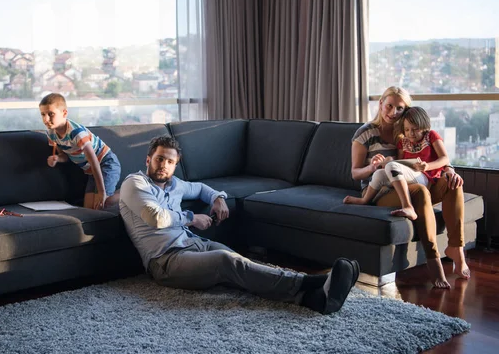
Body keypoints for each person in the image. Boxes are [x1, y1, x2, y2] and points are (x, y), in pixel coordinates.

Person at [119, 135, 360, 315]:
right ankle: (310, 286)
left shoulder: (175, 184)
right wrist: (192, 218)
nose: (163, 165)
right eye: (159, 159)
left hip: (195, 244)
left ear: (175, 165)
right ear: (148, 159)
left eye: (169, 161)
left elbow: (202, 188)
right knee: (227, 262)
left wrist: (218, 198)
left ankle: (314, 294)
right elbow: (156, 218)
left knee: (243, 264)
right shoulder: (135, 183)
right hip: (165, 262)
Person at [349, 86, 470, 289]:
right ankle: (434, 261)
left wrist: (449, 170)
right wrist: (372, 166)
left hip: (414, 180)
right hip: (379, 190)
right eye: (389, 106)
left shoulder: (405, 132)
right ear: (380, 104)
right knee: (420, 191)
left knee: (453, 184)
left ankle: (456, 247)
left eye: (399, 108)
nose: (393, 112)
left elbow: (432, 155)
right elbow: (354, 173)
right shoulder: (365, 133)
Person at [344, 106, 450, 221]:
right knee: (379, 173)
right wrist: (387, 162)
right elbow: (399, 165)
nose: (411, 133)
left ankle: (407, 206)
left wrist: (428, 166)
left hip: (425, 176)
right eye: (407, 130)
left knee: (391, 165)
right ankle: (364, 200)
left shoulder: (431, 136)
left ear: (424, 126)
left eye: (415, 129)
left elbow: (445, 158)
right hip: (409, 177)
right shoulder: (403, 142)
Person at [39, 93, 121, 209]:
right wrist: (57, 158)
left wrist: (102, 193)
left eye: (51, 114)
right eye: (43, 114)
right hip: (92, 171)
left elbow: (94, 161)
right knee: (88, 209)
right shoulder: (51, 134)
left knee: (103, 204)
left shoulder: (77, 133)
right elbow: (64, 155)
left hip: (106, 163)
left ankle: (124, 195)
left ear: (64, 113)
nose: (46, 119)